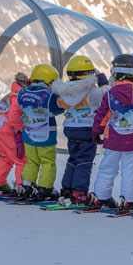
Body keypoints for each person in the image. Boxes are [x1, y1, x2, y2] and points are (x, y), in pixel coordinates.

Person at [90, 54, 133, 211]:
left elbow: (103, 116)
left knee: (107, 167)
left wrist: (96, 131)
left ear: (117, 72)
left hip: (113, 138)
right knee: (131, 169)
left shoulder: (110, 94)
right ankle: (131, 200)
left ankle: (102, 197)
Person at [51, 56, 109, 204]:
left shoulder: (65, 91)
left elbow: (59, 103)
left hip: (70, 129)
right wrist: (102, 79)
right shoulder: (93, 92)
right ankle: (79, 192)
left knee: (73, 159)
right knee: (84, 161)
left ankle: (67, 189)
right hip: (87, 130)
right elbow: (107, 93)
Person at [17, 64, 65, 200]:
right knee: (47, 161)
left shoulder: (23, 92)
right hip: (46, 136)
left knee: (32, 161)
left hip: (28, 134)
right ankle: (45, 188)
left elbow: (21, 105)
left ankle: (27, 186)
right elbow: (59, 110)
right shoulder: (49, 96)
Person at [0, 72, 30, 193]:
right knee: (21, 159)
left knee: (6, 157)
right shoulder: (19, 96)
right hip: (7, 130)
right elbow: (14, 116)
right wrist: (23, 129)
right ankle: (23, 186)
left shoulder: (12, 94)